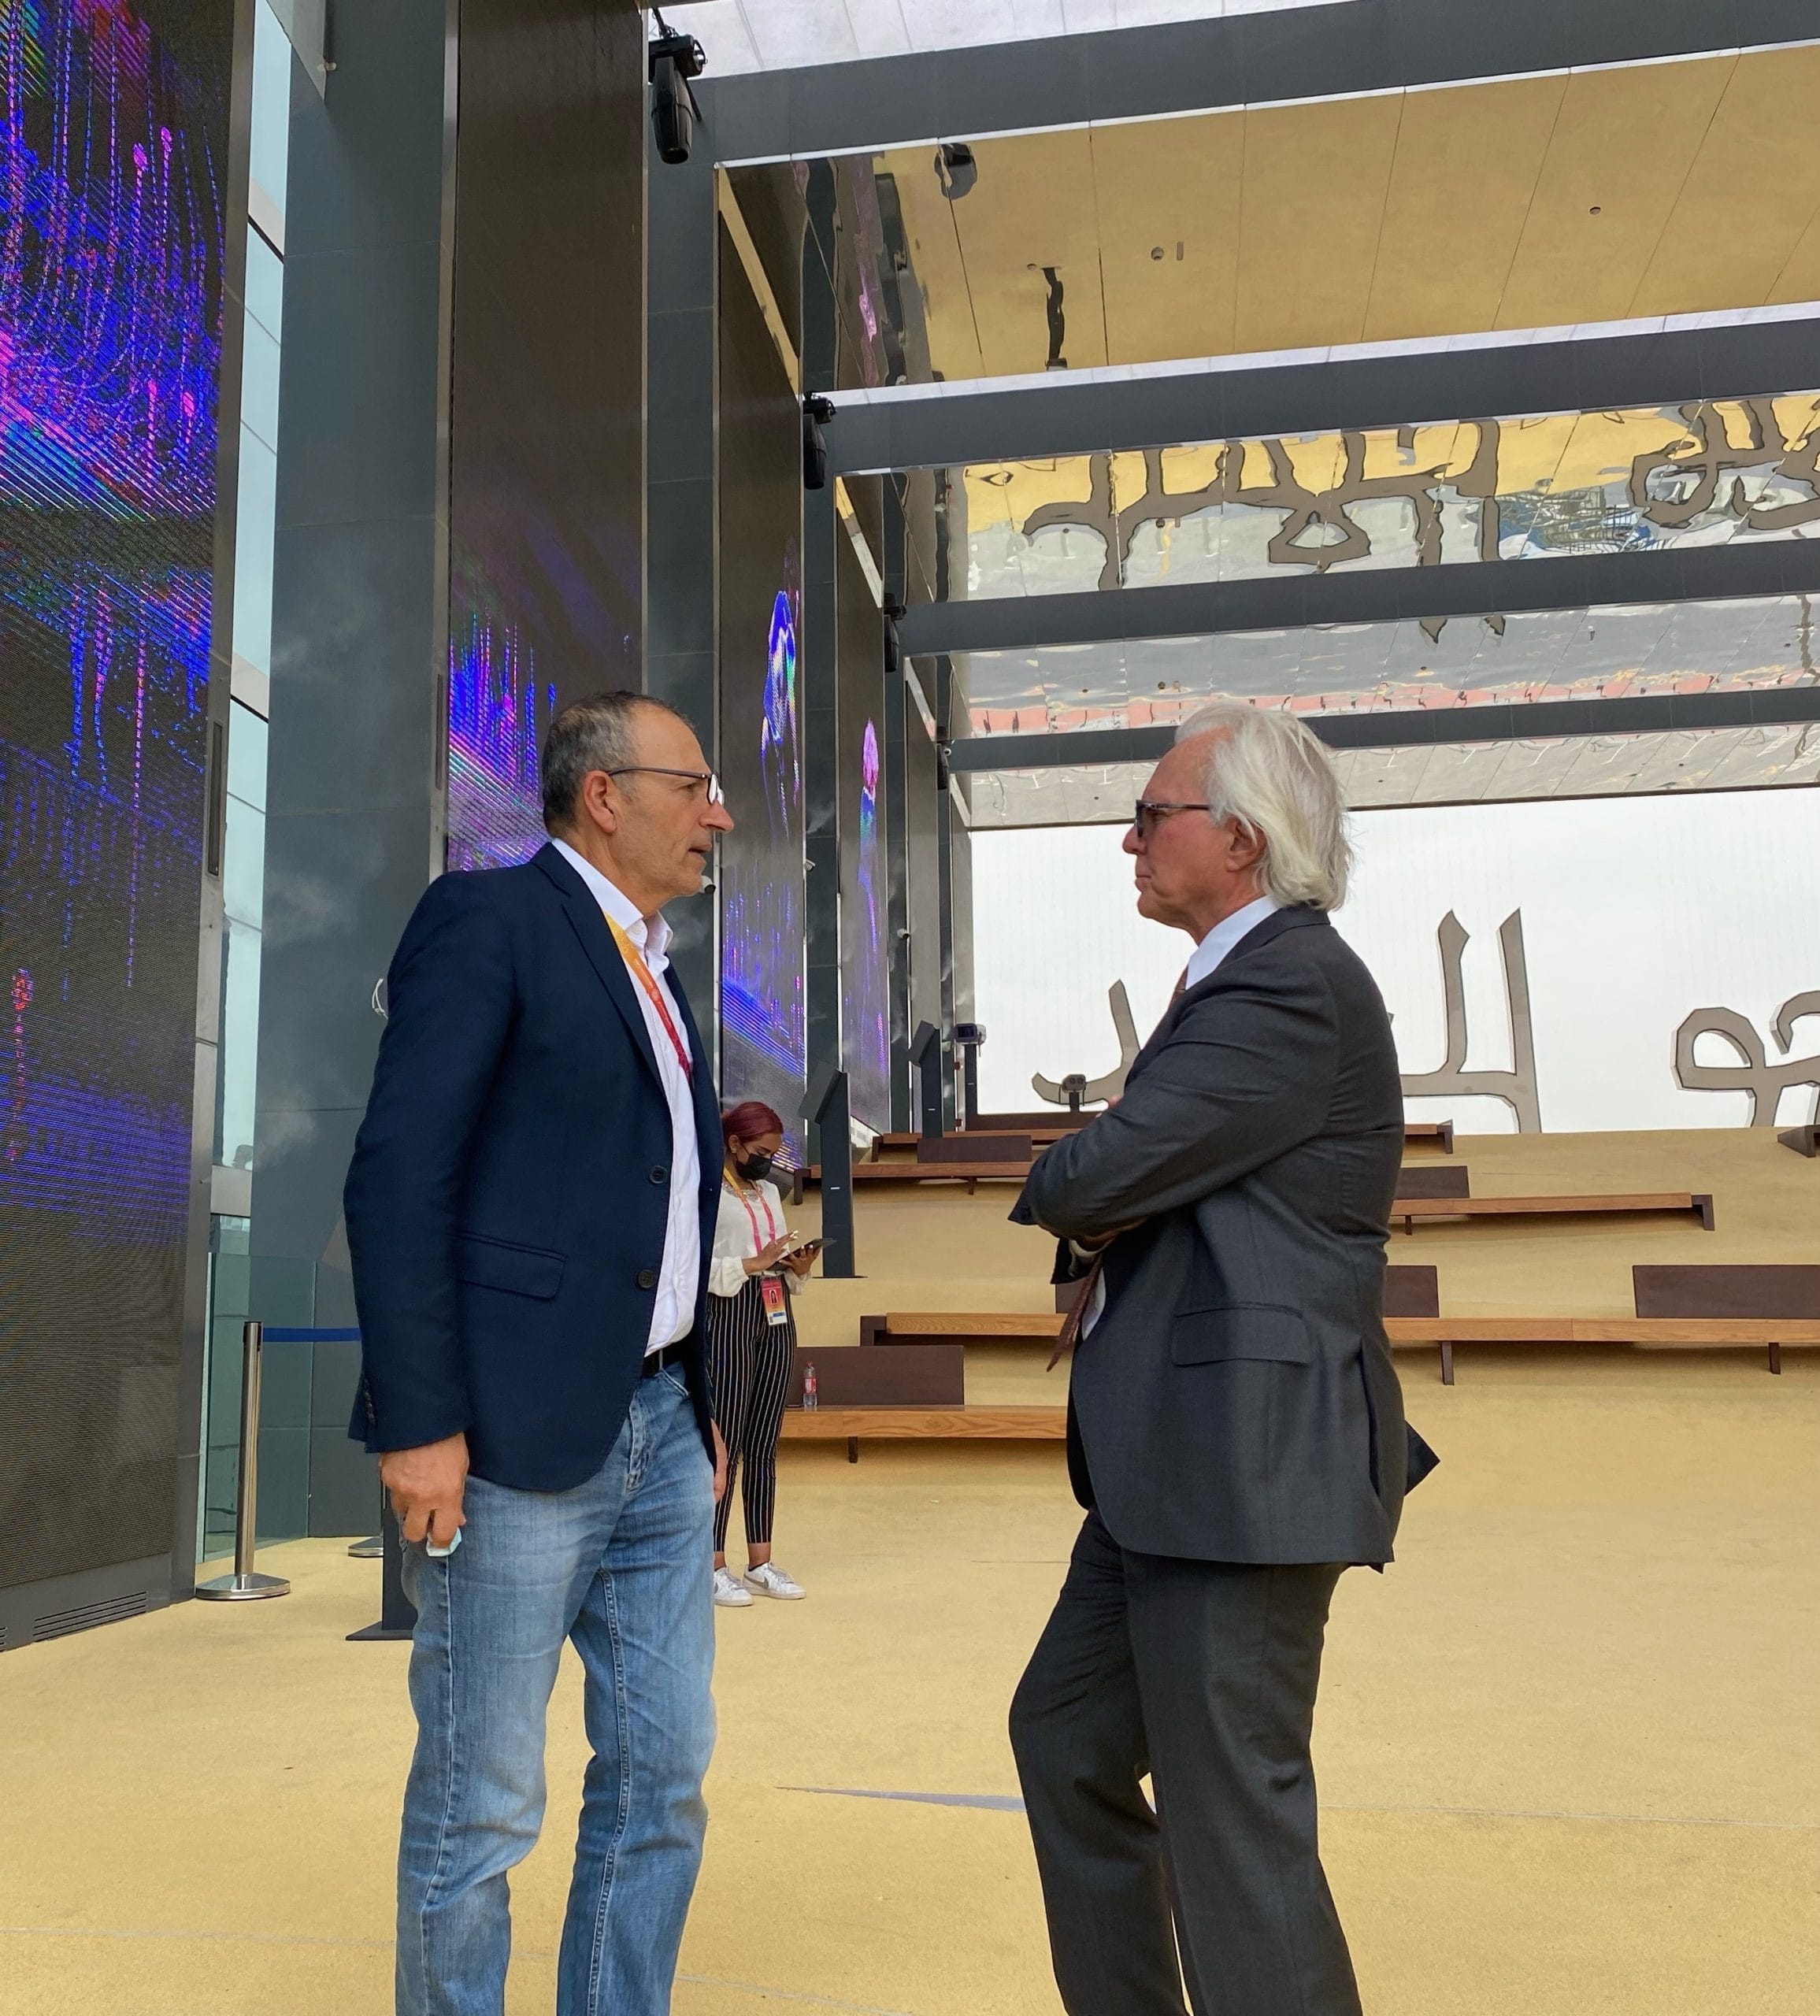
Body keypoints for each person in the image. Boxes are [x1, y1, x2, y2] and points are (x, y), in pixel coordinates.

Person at [1008, 699, 1436, 2016]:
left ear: (1241, 840)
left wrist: (1091, 1190)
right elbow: (1136, 1181)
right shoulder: (1236, 981)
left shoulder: (1285, 981)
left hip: (1238, 1468)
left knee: (1230, 1818)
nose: (1127, 839)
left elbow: (1091, 1177)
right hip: (1174, 1468)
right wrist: (1108, 1194)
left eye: (1151, 815)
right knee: (1067, 1740)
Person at [343, 691, 735, 2016]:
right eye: (695, 787)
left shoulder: (658, 970)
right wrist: (419, 1420)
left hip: (660, 1432)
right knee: (484, 1800)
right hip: (511, 1439)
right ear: (604, 795)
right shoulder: (489, 922)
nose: (717, 815)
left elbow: (663, 1206)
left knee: (662, 1777)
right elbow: (400, 1178)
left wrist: (699, 1395)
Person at [705, 1099, 815, 1606]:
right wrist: (753, 1262)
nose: (769, 1161)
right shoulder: (707, 1191)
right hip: (727, 1311)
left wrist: (796, 1266)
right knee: (725, 1441)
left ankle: (760, 1562)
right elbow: (695, 1266)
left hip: (775, 1307)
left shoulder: (769, 1191)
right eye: (763, 1152)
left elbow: (775, 1256)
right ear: (734, 1144)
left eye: (775, 1153)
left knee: (765, 1439)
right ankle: (712, 1564)